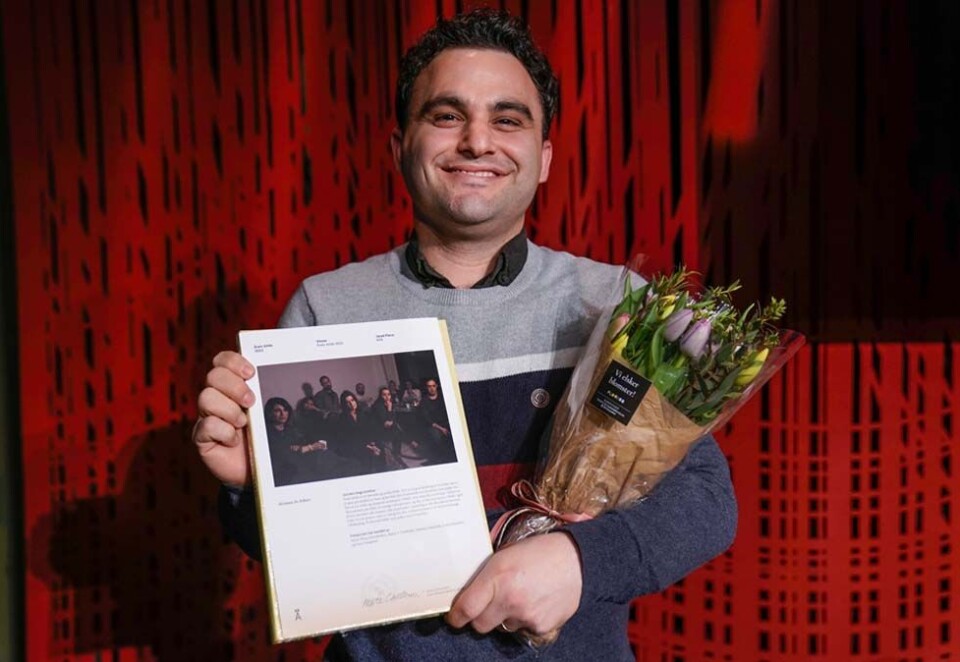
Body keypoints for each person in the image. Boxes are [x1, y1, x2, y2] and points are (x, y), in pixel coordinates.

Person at [194, 9, 736, 661]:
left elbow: (705, 499)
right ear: (399, 148)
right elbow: (295, 558)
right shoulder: (326, 309)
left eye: (508, 120)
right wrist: (253, 488)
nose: (478, 141)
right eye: (446, 116)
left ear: (542, 159)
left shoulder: (614, 304)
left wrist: (579, 562)